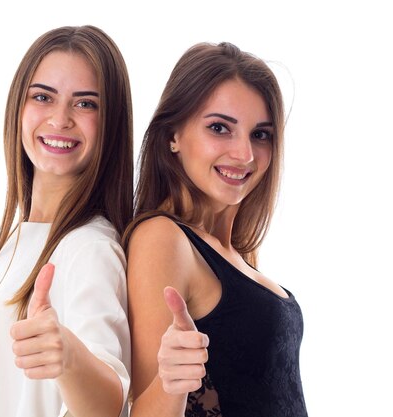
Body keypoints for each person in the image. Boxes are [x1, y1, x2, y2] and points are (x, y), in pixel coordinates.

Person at [0, 25, 133, 417]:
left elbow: (110, 405)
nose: (60, 118)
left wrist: (69, 358)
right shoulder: (19, 241)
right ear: (19, 105)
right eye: (43, 97)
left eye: (86, 104)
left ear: (111, 123)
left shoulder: (90, 249)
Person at [124, 42, 308, 416]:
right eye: (220, 128)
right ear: (172, 135)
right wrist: (172, 380)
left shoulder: (233, 253)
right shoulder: (163, 238)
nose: (245, 155)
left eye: (261, 135)